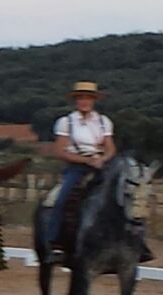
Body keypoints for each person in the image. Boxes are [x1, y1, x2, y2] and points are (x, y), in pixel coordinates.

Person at [44, 82, 116, 260]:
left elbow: (111, 148)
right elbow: (60, 151)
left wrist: (102, 159)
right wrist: (87, 160)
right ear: (76, 100)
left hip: (100, 164)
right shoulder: (66, 122)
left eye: (88, 98)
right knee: (61, 199)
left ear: (94, 100)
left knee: (125, 194)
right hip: (77, 165)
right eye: (81, 98)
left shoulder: (103, 121)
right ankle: (54, 242)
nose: (84, 101)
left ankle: (131, 240)